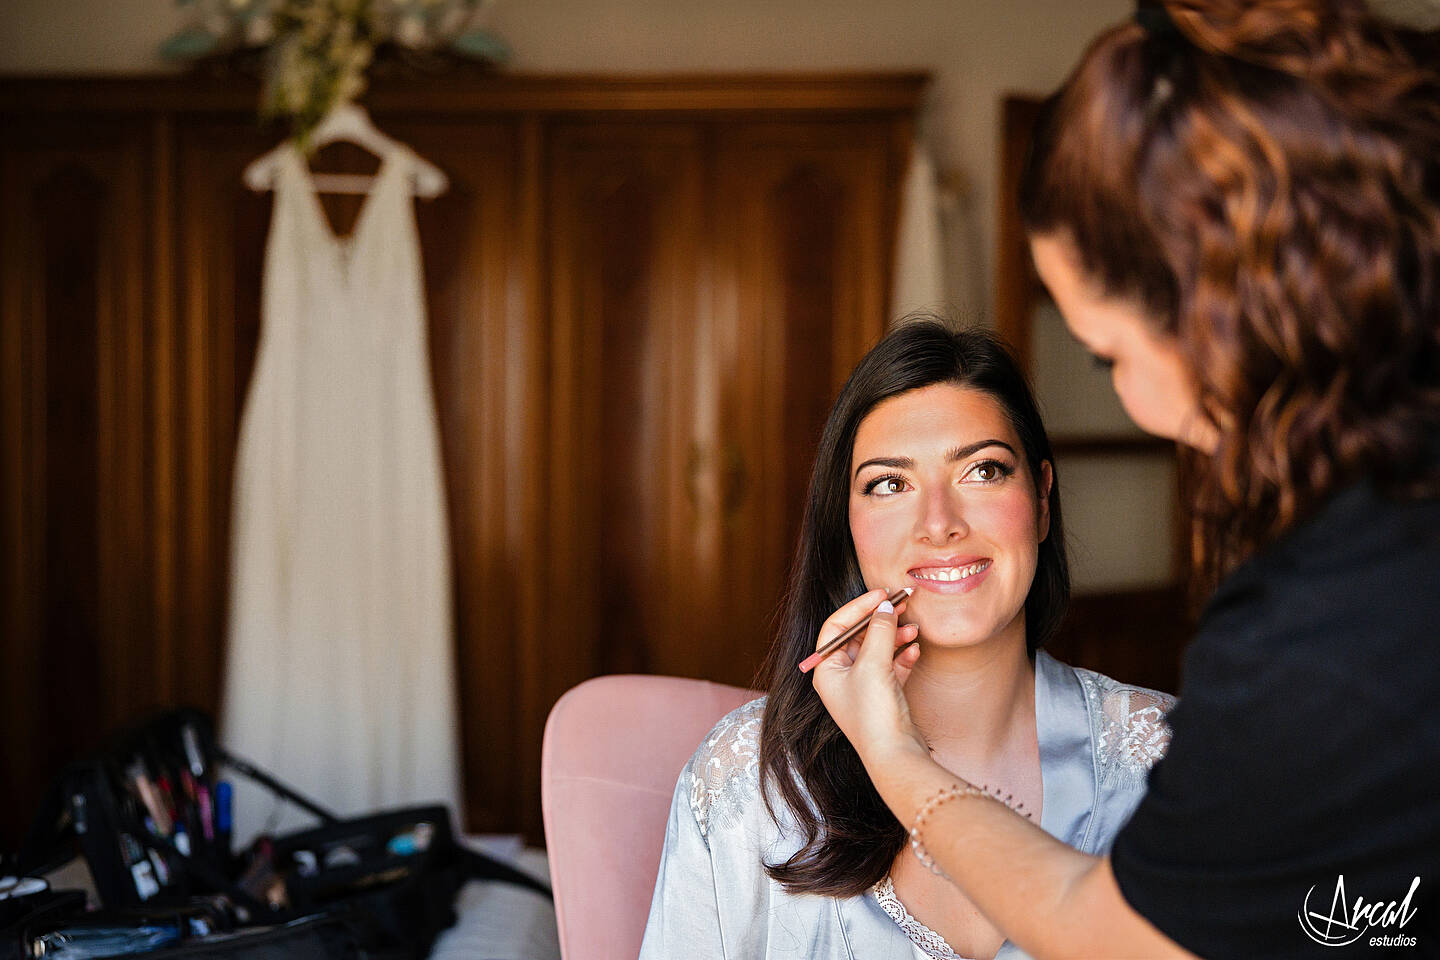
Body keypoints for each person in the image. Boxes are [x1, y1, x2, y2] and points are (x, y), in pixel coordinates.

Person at [812, 2, 1440, 958]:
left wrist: (891, 756)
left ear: (1227, 318)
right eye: (888, 484)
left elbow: (1120, 937)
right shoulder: (738, 794)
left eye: (1107, 355)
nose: (1143, 409)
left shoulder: (1322, 624)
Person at [638, 320, 1180, 960]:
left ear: (1040, 500)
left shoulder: (1169, 760)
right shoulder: (745, 787)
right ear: (849, 530)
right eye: (890, 484)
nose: (939, 524)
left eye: (982, 471)